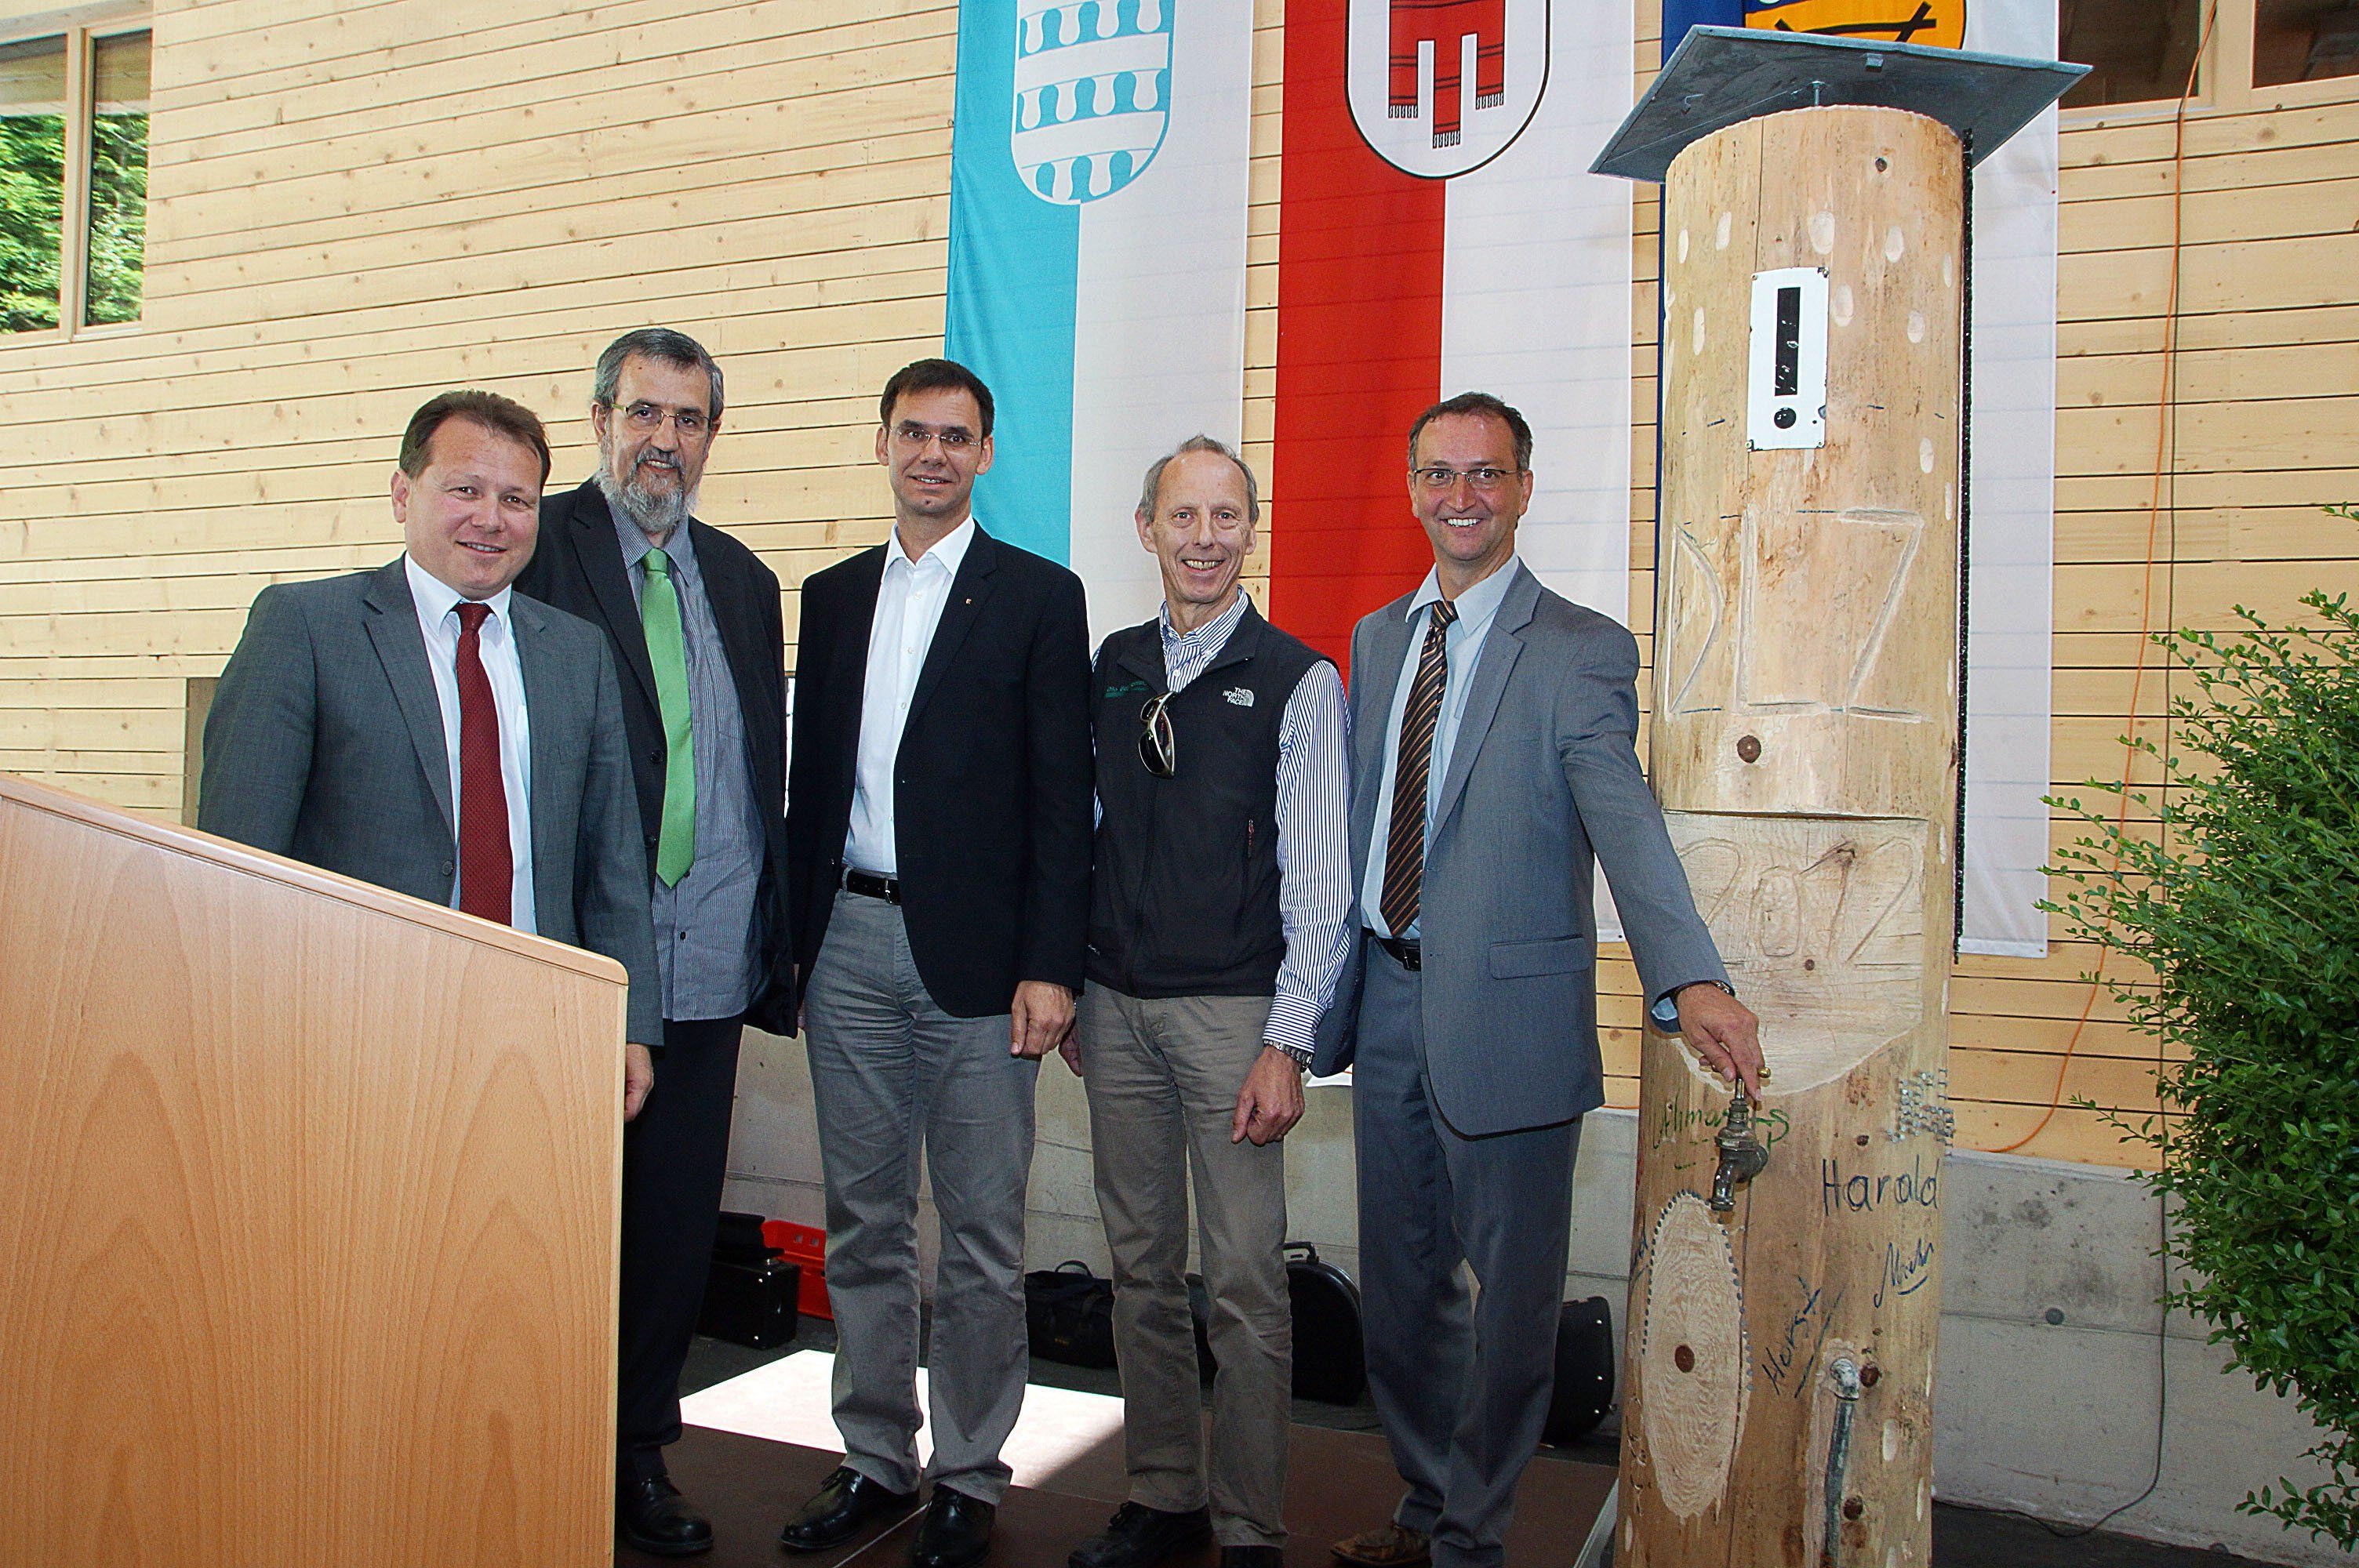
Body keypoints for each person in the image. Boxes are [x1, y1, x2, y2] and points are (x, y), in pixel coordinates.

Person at [1314, 394, 1764, 1568]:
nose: (1461, 496)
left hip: (1510, 1018)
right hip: (1387, 1003)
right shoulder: (1375, 637)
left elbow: (1624, 818)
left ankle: (1472, 1537)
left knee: (1512, 1310)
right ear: (1411, 487)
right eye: (1439, 473)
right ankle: (1426, 1505)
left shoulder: (1578, 647)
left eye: (1486, 474)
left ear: (1522, 488)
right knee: (1401, 1299)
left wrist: (1690, 976)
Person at [780, 358, 1094, 1568]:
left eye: (956, 437)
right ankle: (873, 1457)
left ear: (985, 454)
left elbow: (1063, 800)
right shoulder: (832, 595)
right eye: (914, 432)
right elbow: (813, 788)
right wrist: (793, 949)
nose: (932, 454)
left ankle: (967, 1473)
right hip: (849, 947)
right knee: (861, 1225)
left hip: (984, 965)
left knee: (979, 1237)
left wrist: (1051, 965)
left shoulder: (1038, 597)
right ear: (882, 443)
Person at [512, 328, 793, 1557]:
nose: (663, 441)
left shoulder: (742, 579)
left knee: (674, 1225)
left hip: (712, 957)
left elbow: (756, 766)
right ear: (597, 421)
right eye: (643, 414)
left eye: (688, 420)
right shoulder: (535, 547)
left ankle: (636, 1449)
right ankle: (529, 1439)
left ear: (712, 437)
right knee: (552, 1216)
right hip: (577, 961)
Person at [1062, 437, 1352, 1568]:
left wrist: (1288, 1041)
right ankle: (1163, 1495)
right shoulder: (1115, 663)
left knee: (1241, 1282)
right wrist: (1076, 981)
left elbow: (1319, 884)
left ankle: (1246, 1526)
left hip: (1234, 1018)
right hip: (1114, 1008)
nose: (1204, 538)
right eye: (1182, 516)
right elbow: (1084, 830)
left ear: (1250, 529)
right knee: (1140, 1268)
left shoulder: (1297, 679)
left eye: (1226, 516)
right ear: (1147, 528)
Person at [198, 387, 660, 1086]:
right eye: (465, 489)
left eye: (516, 499)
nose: (490, 518)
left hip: (537, 1027)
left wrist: (630, 1023)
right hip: (345, 1030)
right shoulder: (305, 628)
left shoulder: (577, 653)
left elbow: (612, 862)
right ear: (402, 494)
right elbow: (239, 857)